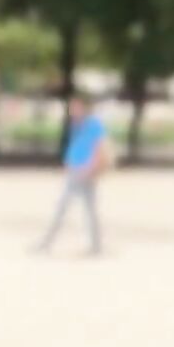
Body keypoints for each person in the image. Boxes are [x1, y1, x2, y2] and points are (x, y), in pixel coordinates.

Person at [34, 94, 110, 256]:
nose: (72, 110)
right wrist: (68, 162)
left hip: (85, 170)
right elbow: (76, 146)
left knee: (64, 207)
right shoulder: (75, 124)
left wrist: (92, 167)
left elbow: (99, 146)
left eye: (75, 107)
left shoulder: (93, 124)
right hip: (75, 169)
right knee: (87, 209)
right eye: (71, 107)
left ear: (83, 107)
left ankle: (47, 242)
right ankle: (96, 246)